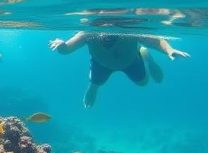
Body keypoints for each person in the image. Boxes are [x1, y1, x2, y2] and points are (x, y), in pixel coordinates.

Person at [49, 32, 189, 108]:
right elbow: (67, 49)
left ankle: (147, 57)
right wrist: (62, 46)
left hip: (131, 61)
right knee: (96, 81)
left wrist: (169, 50)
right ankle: (93, 87)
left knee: (143, 83)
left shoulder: (130, 30)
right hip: (101, 64)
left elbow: (155, 40)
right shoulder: (87, 33)